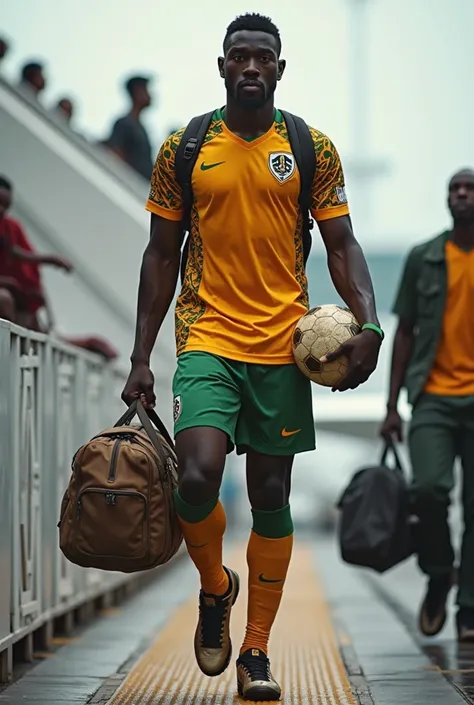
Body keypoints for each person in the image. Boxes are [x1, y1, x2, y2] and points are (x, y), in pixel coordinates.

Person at [122, 13, 382, 701]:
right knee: (199, 475)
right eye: (239, 56)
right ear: (222, 66)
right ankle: (216, 587)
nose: (250, 67)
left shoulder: (310, 147)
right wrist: (141, 355)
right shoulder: (185, 146)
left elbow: (342, 244)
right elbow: (159, 254)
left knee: (271, 495)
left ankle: (257, 651)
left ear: (278, 69)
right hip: (207, 335)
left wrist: (371, 325)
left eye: (262, 57)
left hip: (283, 346)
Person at [380, 168, 474, 643]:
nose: (460, 194)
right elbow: (406, 333)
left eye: (469, 188)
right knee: (429, 491)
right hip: (433, 398)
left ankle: (469, 607)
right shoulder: (425, 258)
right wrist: (392, 406)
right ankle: (440, 573)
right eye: (454, 188)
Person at [0, 176, 72, 329]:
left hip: (13, 293)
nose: (2, 209)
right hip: (5, 293)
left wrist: (52, 260)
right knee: (4, 300)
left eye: (6, 205)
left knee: (26, 314)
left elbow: (17, 252)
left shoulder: (10, 227)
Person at [108, 75, 154, 180]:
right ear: (137, 92)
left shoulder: (141, 128)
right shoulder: (124, 124)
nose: (149, 95)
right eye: (145, 90)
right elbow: (117, 157)